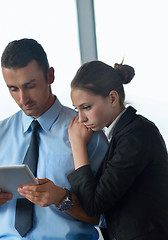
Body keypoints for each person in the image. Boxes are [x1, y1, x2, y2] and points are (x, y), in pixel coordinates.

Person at [0, 38, 108, 240]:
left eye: (30, 86)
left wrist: (62, 198)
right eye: (13, 89)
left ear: (50, 76)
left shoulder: (87, 132)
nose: (22, 99)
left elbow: (107, 215)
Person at [67, 60, 168, 240]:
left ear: (113, 98)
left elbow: (94, 205)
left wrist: (77, 145)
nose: (80, 118)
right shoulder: (123, 133)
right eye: (77, 109)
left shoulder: (136, 135)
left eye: (87, 107)